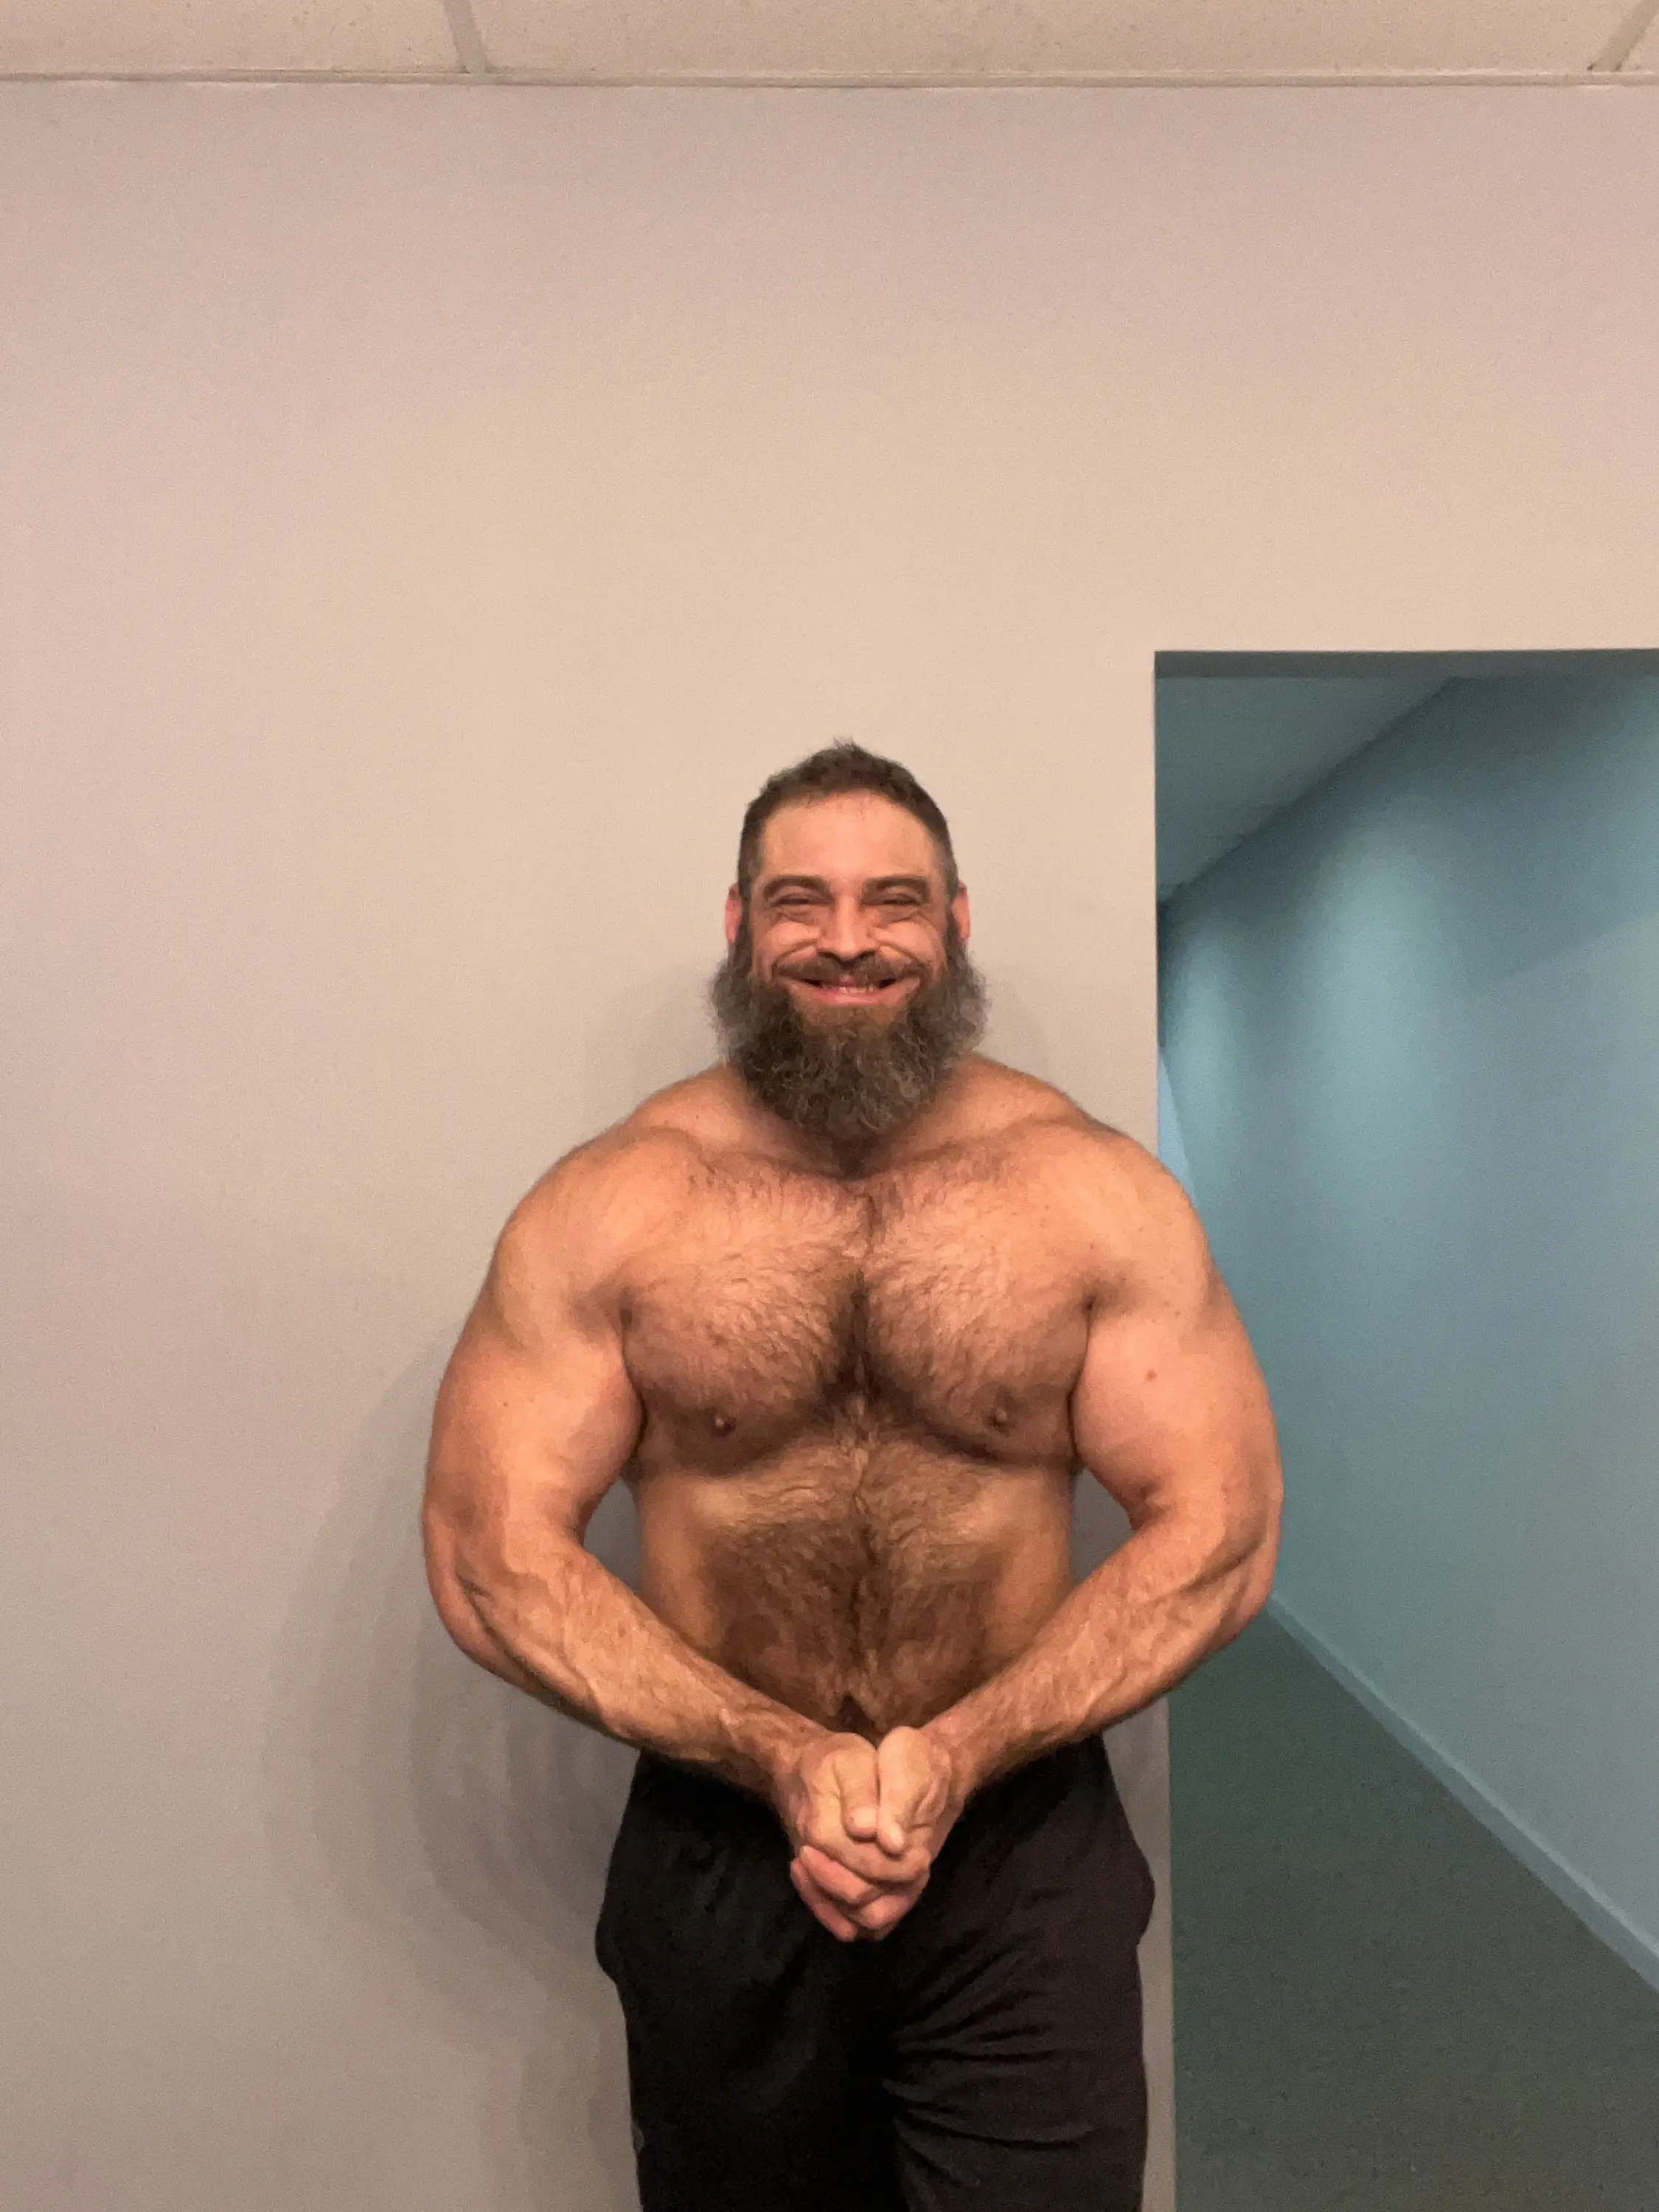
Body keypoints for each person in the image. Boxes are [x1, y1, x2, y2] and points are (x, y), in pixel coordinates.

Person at [422, 742, 1281, 2212]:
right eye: (797, 901)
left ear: (955, 922)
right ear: (739, 926)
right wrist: (780, 1756)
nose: (845, 938)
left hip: (1016, 1844)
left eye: (892, 899)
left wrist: (960, 1752)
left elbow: (1222, 1529)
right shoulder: (614, 1205)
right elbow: (486, 1557)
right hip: (723, 1841)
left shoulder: (1089, 1194)